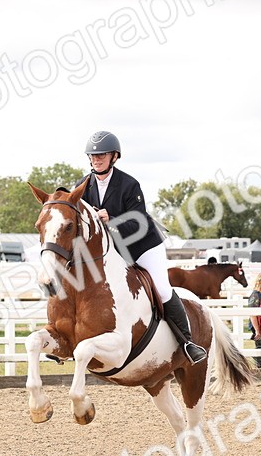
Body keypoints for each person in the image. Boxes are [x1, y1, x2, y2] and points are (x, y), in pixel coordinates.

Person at [76, 130, 207, 363]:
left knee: (162, 288)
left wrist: (112, 218)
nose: (96, 159)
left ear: (114, 156)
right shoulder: (83, 186)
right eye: (93, 155)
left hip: (142, 245)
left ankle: (188, 342)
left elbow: (138, 219)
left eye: (102, 155)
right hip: (112, 249)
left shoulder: (128, 184)